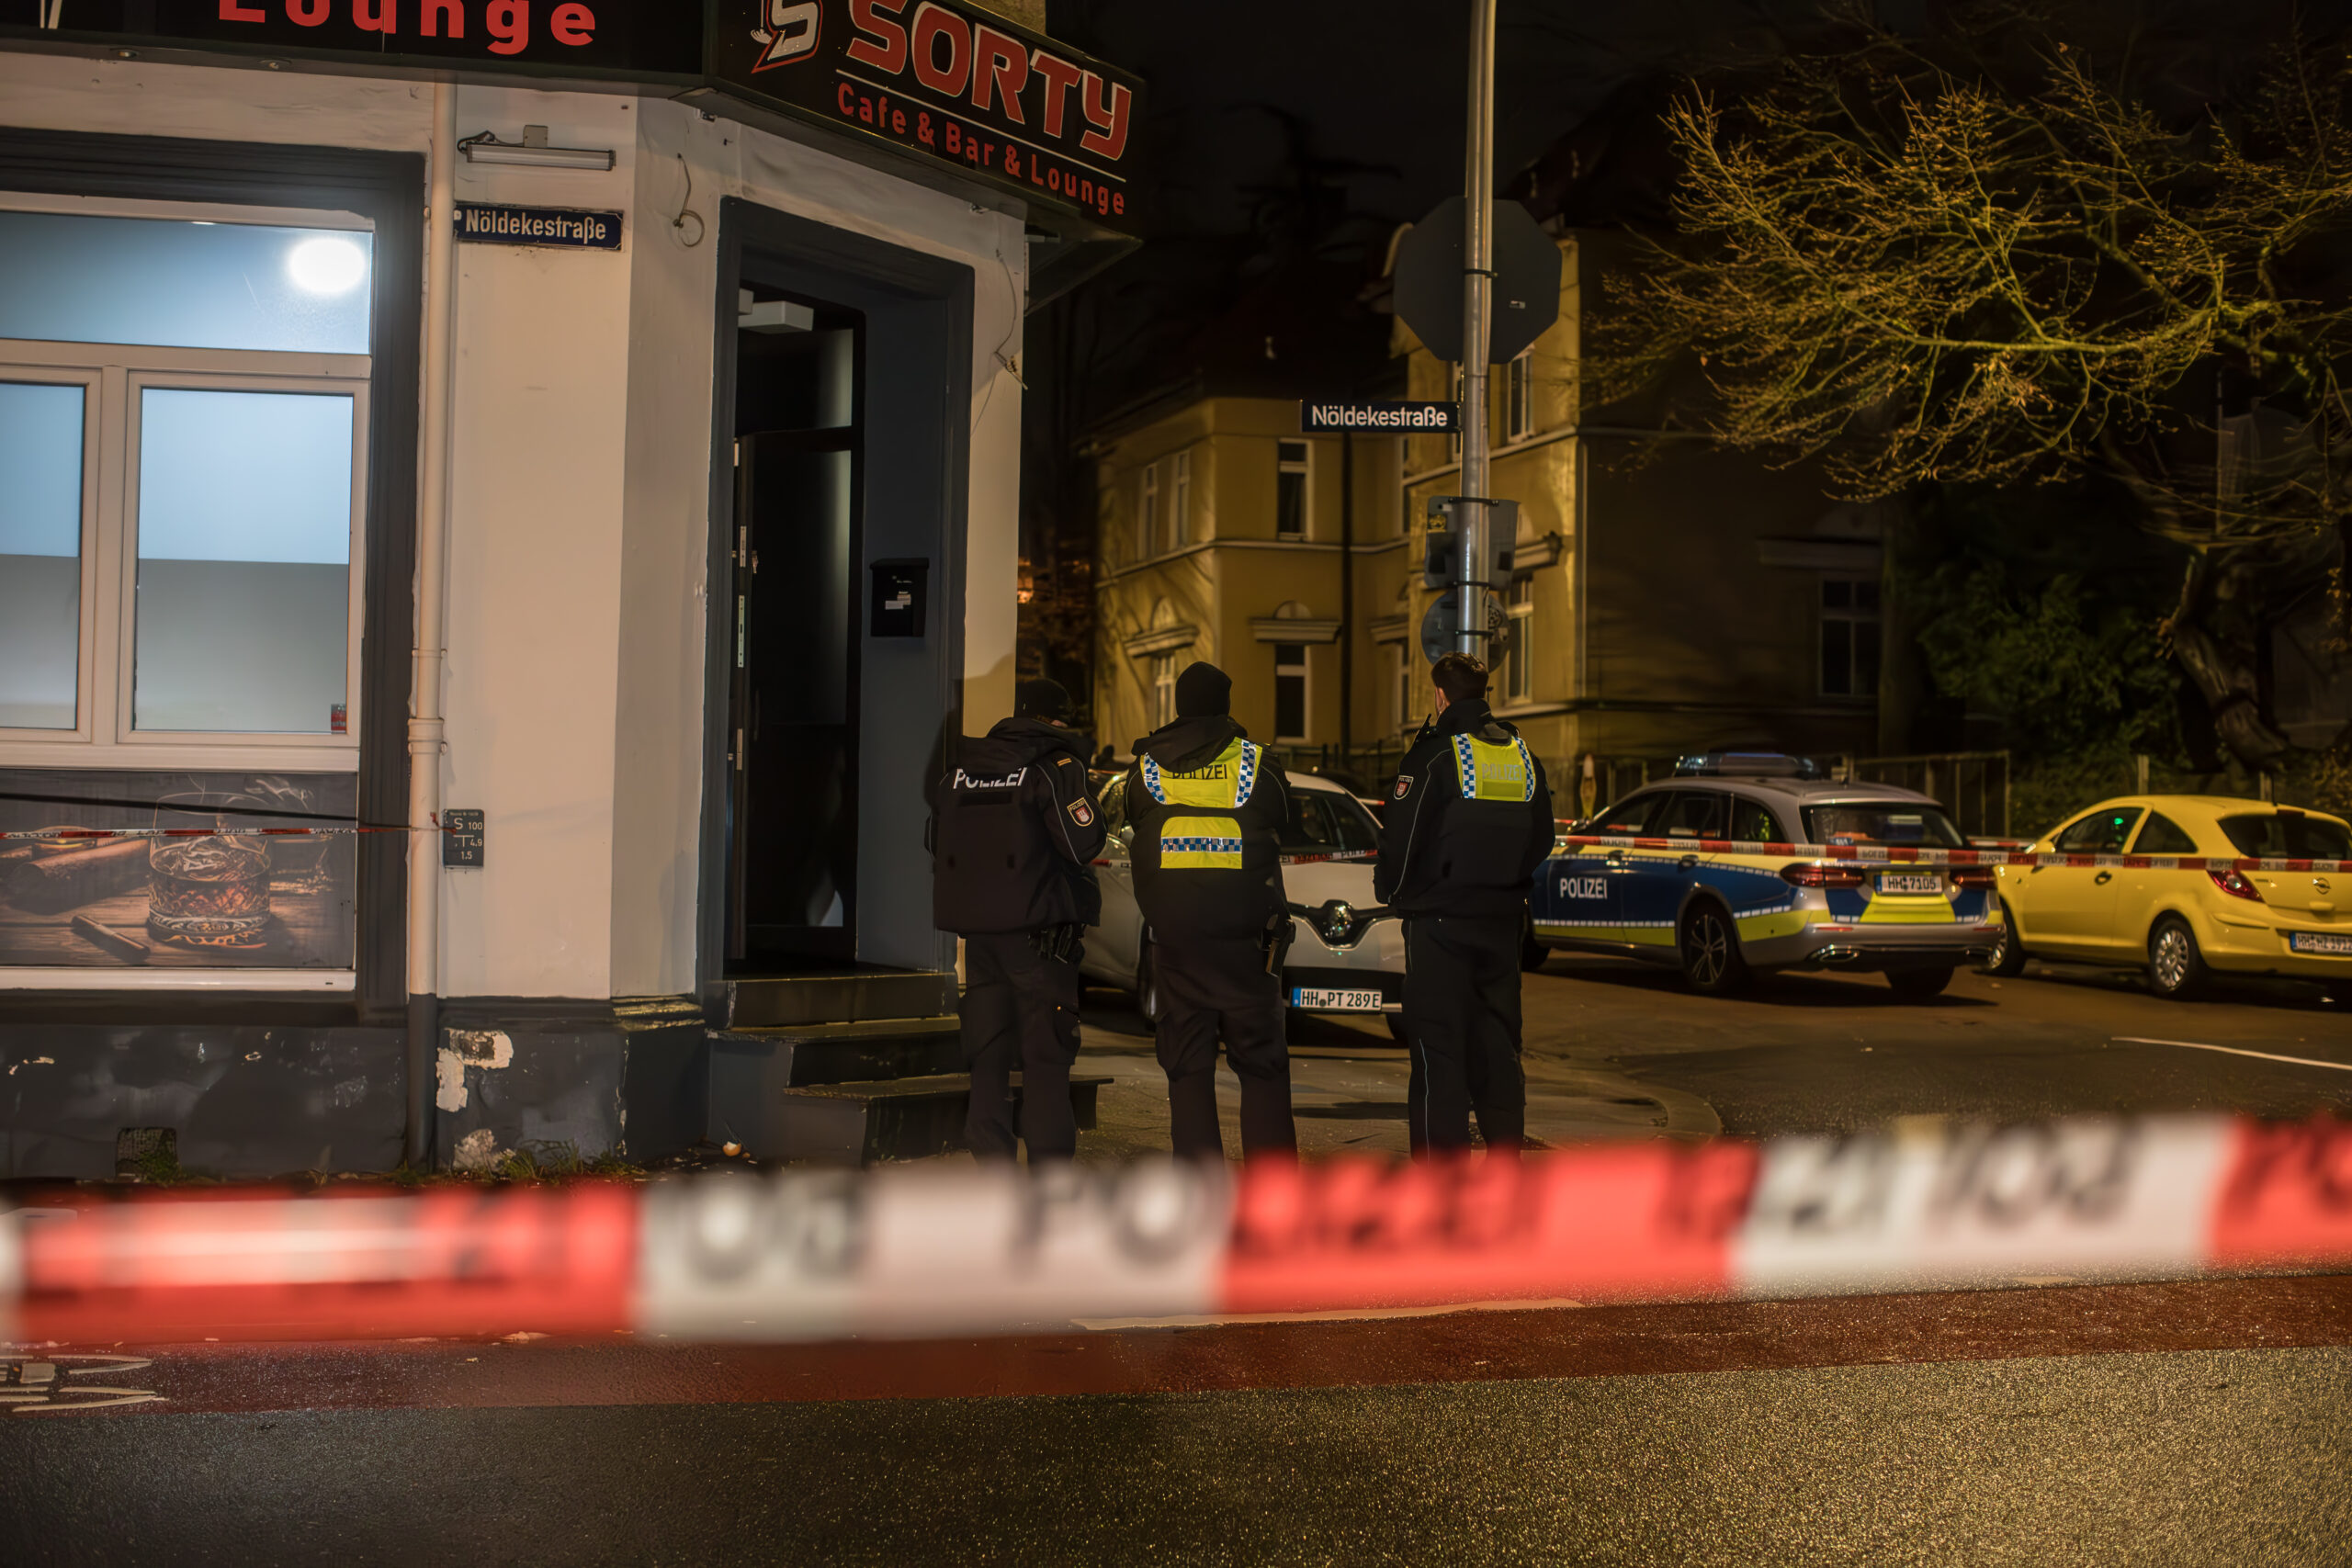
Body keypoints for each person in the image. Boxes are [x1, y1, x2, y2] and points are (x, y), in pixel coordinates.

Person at [1376, 652, 1555, 1156]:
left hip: (1438, 926)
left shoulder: (1435, 756)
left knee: (1440, 1055)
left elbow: (1402, 841)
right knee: (1498, 1049)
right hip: (1500, 926)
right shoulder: (1520, 754)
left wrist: (1393, 894)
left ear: (1439, 696)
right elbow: (1543, 836)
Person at [1124, 662, 1297, 1160]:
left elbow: (1136, 818)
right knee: (1262, 1068)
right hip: (1248, 945)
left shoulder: (1147, 765)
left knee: (1188, 1068)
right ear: (1226, 704)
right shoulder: (1255, 762)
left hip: (1177, 943)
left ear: (1179, 705)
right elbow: (1283, 814)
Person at [927, 678, 1105, 1163]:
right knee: (1046, 1066)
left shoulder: (962, 770)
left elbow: (934, 841)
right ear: (1058, 720)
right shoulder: (1055, 767)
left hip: (982, 942)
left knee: (988, 1060)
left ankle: (994, 1187)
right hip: (1040, 943)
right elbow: (1083, 843)